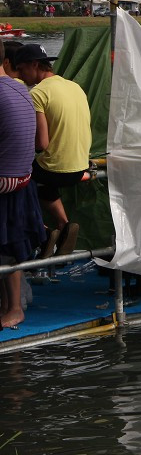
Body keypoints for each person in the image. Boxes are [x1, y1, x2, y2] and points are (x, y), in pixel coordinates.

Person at [15, 43, 91, 257]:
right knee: (42, 182)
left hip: (54, 169)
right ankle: (64, 224)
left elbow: (42, 144)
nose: (20, 76)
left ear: (34, 65)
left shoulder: (37, 94)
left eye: (21, 69)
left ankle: (43, 231)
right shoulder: (74, 86)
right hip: (79, 167)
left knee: (18, 177)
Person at [0, 40, 46, 328]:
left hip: (7, 185)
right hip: (22, 183)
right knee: (8, 247)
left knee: (6, 248)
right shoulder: (20, 88)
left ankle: (13, 306)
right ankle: (10, 305)